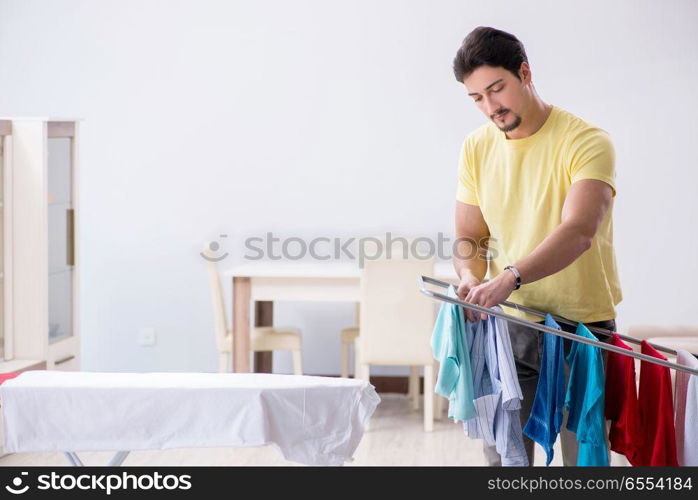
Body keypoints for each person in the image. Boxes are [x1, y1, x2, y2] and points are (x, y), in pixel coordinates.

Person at [451, 26, 622, 466]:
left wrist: (509, 276)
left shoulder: (585, 141)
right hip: (509, 326)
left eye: (497, 89)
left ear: (524, 73)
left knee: (582, 462)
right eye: (477, 98)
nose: (491, 107)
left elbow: (579, 231)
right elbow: (470, 237)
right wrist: (471, 276)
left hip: (580, 330)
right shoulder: (476, 148)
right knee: (506, 461)